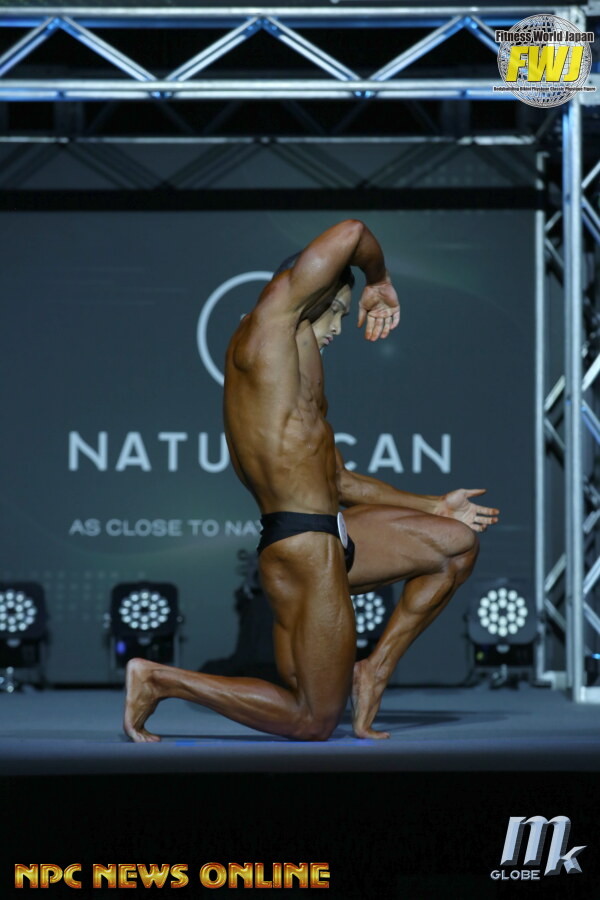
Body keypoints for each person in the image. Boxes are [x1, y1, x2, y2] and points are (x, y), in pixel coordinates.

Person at [123, 219, 498, 742]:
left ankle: (375, 669)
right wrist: (379, 281)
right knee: (314, 719)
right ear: (305, 293)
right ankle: (160, 680)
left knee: (456, 545)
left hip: (331, 532)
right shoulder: (268, 328)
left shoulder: (304, 376)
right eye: (337, 310)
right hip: (301, 544)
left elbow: (339, 480)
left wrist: (435, 504)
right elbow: (352, 232)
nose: (340, 326)